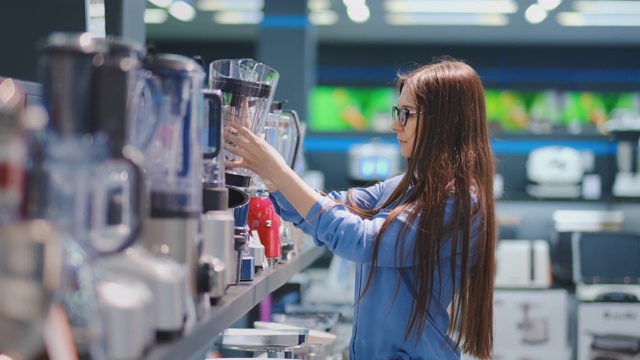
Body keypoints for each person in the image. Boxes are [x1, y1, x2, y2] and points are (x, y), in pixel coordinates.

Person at [224, 56, 496, 360]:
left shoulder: (457, 200)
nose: (395, 124)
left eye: (406, 114)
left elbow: (362, 240)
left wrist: (279, 172)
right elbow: (331, 207)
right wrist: (266, 167)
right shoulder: (406, 186)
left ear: (442, 122)